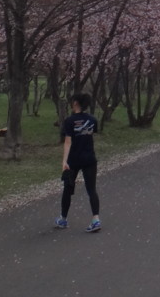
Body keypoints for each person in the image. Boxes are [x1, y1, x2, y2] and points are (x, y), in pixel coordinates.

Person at [57, 93, 101, 233]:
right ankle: (96, 219)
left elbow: (68, 142)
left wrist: (64, 161)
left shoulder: (70, 121)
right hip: (89, 159)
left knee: (67, 189)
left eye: (72, 101)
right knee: (91, 189)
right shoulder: (92, 120)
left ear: (76, 103)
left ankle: (63, 219)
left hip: (73, 160)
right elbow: (91, 135)